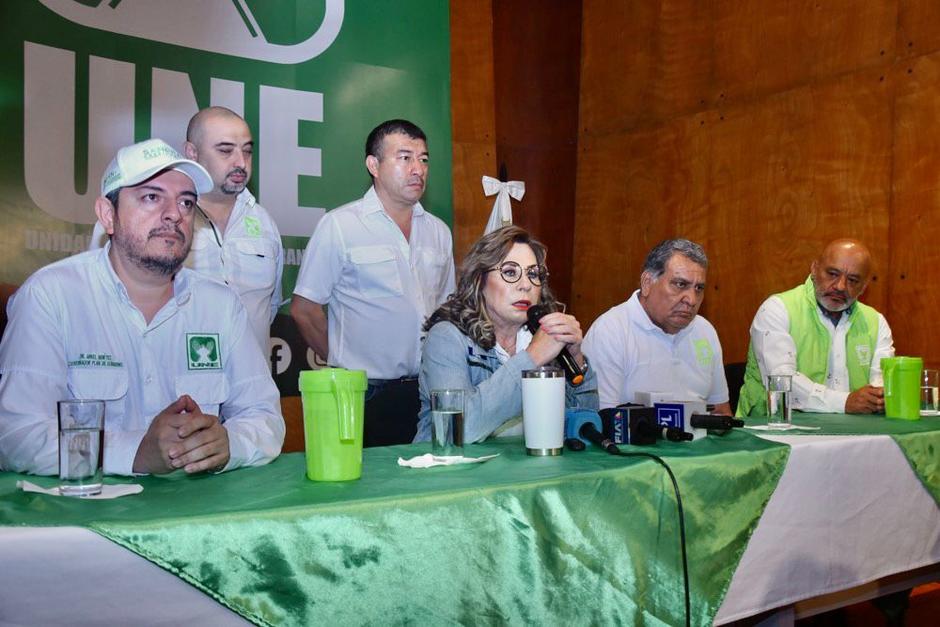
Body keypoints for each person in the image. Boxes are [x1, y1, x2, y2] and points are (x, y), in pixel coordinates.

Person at [0, 139, 284, 475]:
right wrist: (133, 453)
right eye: (151, 197)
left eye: (187, 202)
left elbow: (265, 418)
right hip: (85, 519)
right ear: (108, 214)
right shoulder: (51, 296)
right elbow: (18, 436)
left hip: (195, 514)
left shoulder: (220, 305)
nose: (174, 214)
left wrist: (228, 443)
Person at [291, 119, 455, 447]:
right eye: (405, 158)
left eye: (423, 159)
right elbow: (304, 309)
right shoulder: (340, 225)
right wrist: (343, 361)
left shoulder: (438, 231)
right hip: (362, 395)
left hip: (427, 390)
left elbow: (449, 310)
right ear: (373, 165)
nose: (417, 169)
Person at [91, 107, 283, 355]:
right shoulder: (139, 220)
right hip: (169, 386)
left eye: (247, 151)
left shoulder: (265, 223)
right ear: (192, 152)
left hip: (249, 385)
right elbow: (101, 299)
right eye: (225, 150)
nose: (240, 163)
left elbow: (269, 307)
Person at [415, 225, 597, 443]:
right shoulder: (447, 337)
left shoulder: (544, 338)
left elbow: (585, 427)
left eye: (533, 274)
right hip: (450, 473)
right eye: (510, 272)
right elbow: (459, 429)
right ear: (479, 281)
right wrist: (531, 358)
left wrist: (576, 362)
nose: (525, 285)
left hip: (525, 473)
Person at [737, 238, 895, 416]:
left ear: (864, 287)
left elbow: (882, 383)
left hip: (853, 434)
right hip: (774, 434)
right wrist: (844, 402)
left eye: (852, 280)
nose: (840, 286)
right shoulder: (777, 309)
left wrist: (878, 397)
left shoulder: (875, 321)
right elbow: (781, 381)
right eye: (833, 274)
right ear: (814, 269)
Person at [582, 239, 731, 414]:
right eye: (680, 284)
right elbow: (602, 420)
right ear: (647, 283)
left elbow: (720, 411)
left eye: (698, 288)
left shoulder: (704, 331)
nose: (691, 299)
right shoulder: (611, 331)